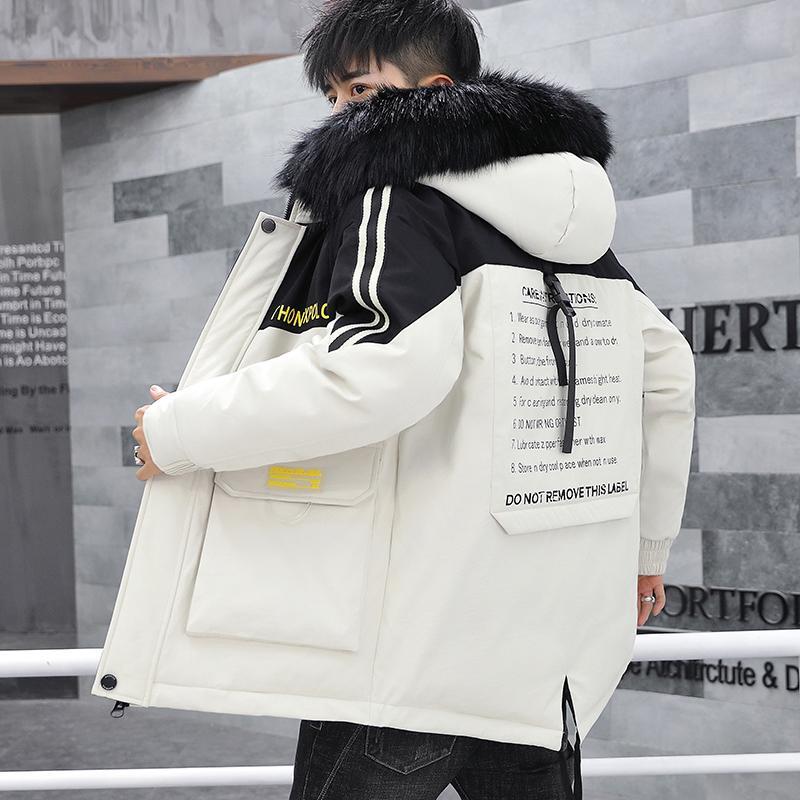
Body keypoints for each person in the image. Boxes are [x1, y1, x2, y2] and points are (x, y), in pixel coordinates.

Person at [130, 1, 696, 798]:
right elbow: (667, 376)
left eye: (360, 91)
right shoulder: (579, 236)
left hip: (410, 650)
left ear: (432, 92)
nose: (341, 115)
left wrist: (178, 430)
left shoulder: (395, 197)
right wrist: (646, 552)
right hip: (543, 652)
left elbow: (377, 374)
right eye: (333, 96)